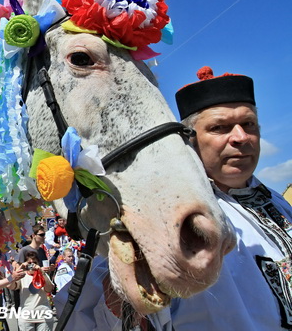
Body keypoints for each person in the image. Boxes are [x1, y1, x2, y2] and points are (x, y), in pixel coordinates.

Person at [56, 66, 292, 330]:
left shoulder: (279, 203)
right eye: (219, 128)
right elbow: (85, 313)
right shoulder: (169, 218)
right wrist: (118, 303)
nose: (240, 137)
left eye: (248, 124)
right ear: (190, 140)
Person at [8, 251, 55, 331]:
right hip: (26, 317)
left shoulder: (43, 275)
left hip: (43, 316)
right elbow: (10, 286)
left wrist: (41, 272)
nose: (32, 265)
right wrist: (20, 268)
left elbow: (49, 289)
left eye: (34, 263)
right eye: (29, 263)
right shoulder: (22, 275)